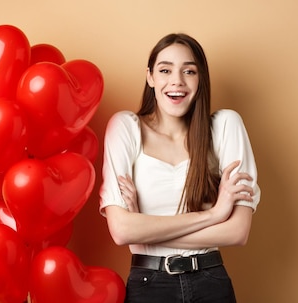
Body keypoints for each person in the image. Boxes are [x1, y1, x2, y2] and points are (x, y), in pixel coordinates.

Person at [98, 33, 260, 303]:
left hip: (211, 282)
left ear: (200, 79)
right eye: (165, 70)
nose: (177, 81)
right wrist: (215, 214)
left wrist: (144, 234)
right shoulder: (126, 127)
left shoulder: (224, 127)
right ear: (150, 77)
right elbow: (122, 231)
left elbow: (237, 232)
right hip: (150, 285)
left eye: (189, 71)